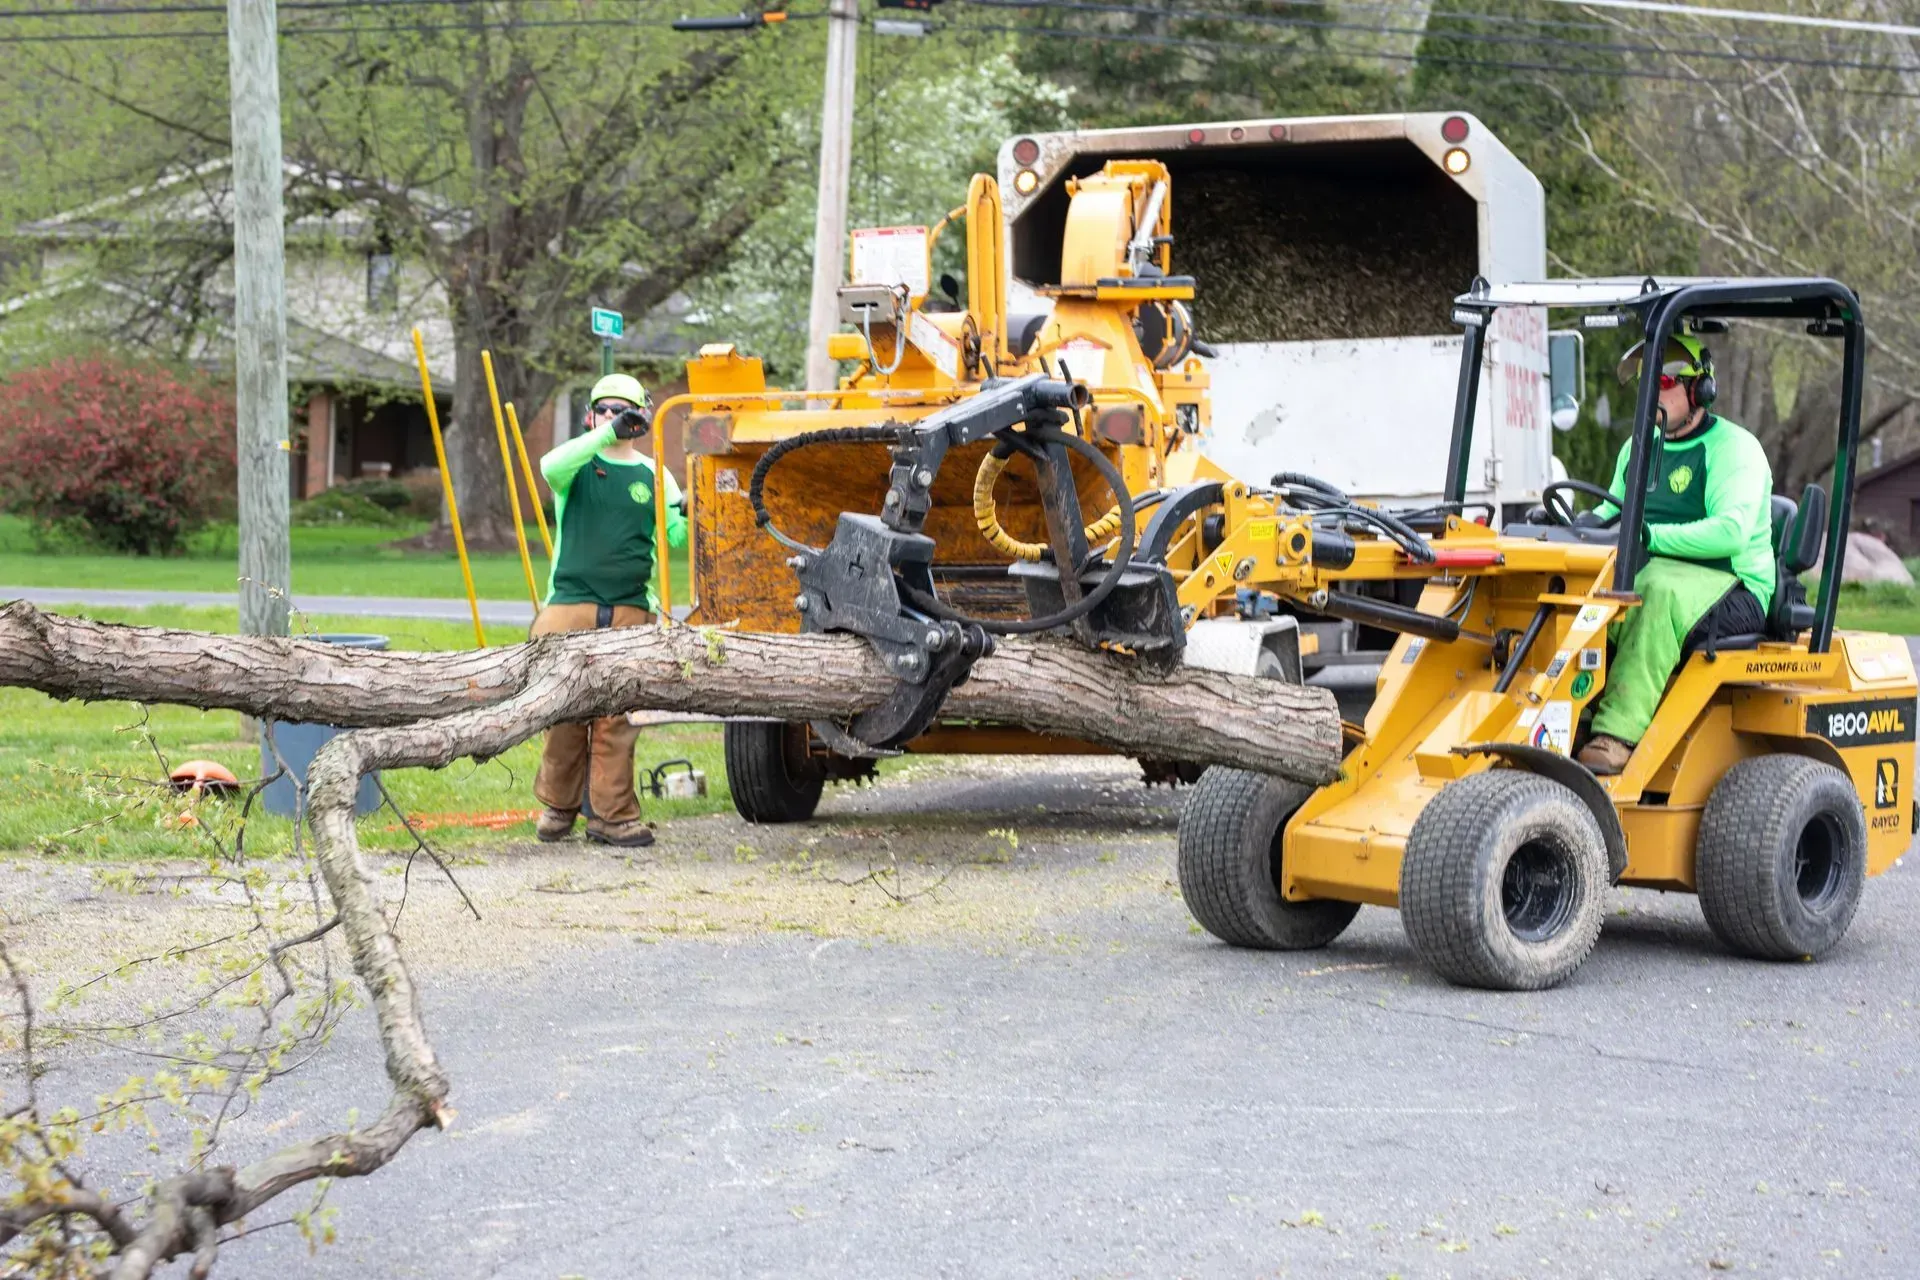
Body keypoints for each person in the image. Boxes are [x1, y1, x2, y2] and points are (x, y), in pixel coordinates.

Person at [1576, 334, 1775, 775]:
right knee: (1576, 588)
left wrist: (1649, 535)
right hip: (1655, 570)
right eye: (1648, 382)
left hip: (1734, 586)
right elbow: (1611, 511)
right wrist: (1578, 526)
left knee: (1654, 590)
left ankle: (1616, 734)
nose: (1654, 393)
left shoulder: (1733, 449)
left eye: (1664, 381)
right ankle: (1572, 712)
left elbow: (1731, 533)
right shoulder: (1638, 447)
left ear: (1700, 389)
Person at [531, 373, 687, 846]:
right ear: (590, 415)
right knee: (563, 716)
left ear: (643, 415)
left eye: (625, 410)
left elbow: (673, 535)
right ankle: (558, 809)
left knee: (618, 720)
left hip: (630, 610)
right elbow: (548, 464)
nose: (615, 417)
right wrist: (605, 435)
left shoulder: (655, 475)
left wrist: (690, 514)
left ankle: (613, 816)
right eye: (605, 409)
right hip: (569, 608)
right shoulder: (576, 465)